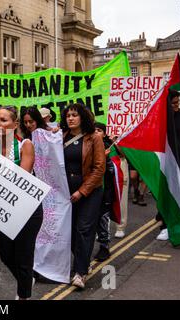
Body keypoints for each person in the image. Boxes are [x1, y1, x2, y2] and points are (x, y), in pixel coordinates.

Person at [0, 106, 43, 300]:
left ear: (15, 124)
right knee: (4, 252)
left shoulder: (25, 145)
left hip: (27, 209)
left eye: (3, 120)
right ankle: (26, 280)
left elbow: (22, 178)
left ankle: (23, 294)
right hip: (4, 209)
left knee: (24, 257)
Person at [60, 103, 105, 289]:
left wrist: (82, 191)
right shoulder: (61, 136)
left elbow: (99, 168)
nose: (70, 118)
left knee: (83, 230)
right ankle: (82, 261)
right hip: (66, 193)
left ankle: (80, 272)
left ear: (82, 118)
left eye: (74, 115)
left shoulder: (94, 137)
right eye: (68, 115)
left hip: (90, 191)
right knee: (70, 232)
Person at [156, 89, 180, 241]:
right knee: (166, 194)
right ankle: (165, 226)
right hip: (165, 164)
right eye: (173, 103)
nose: (177, 105)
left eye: (177, 102)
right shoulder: (161, 120)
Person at [93, 122, 115, 261]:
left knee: (102, 219)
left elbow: (113, 171)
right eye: (93, 130)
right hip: (91, 191)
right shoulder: (89, 146)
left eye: (99, 130)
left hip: (105, 191)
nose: (96, 132)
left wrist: (105, 158)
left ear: (105, 134)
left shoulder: (108, 148)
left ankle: (104, 247)